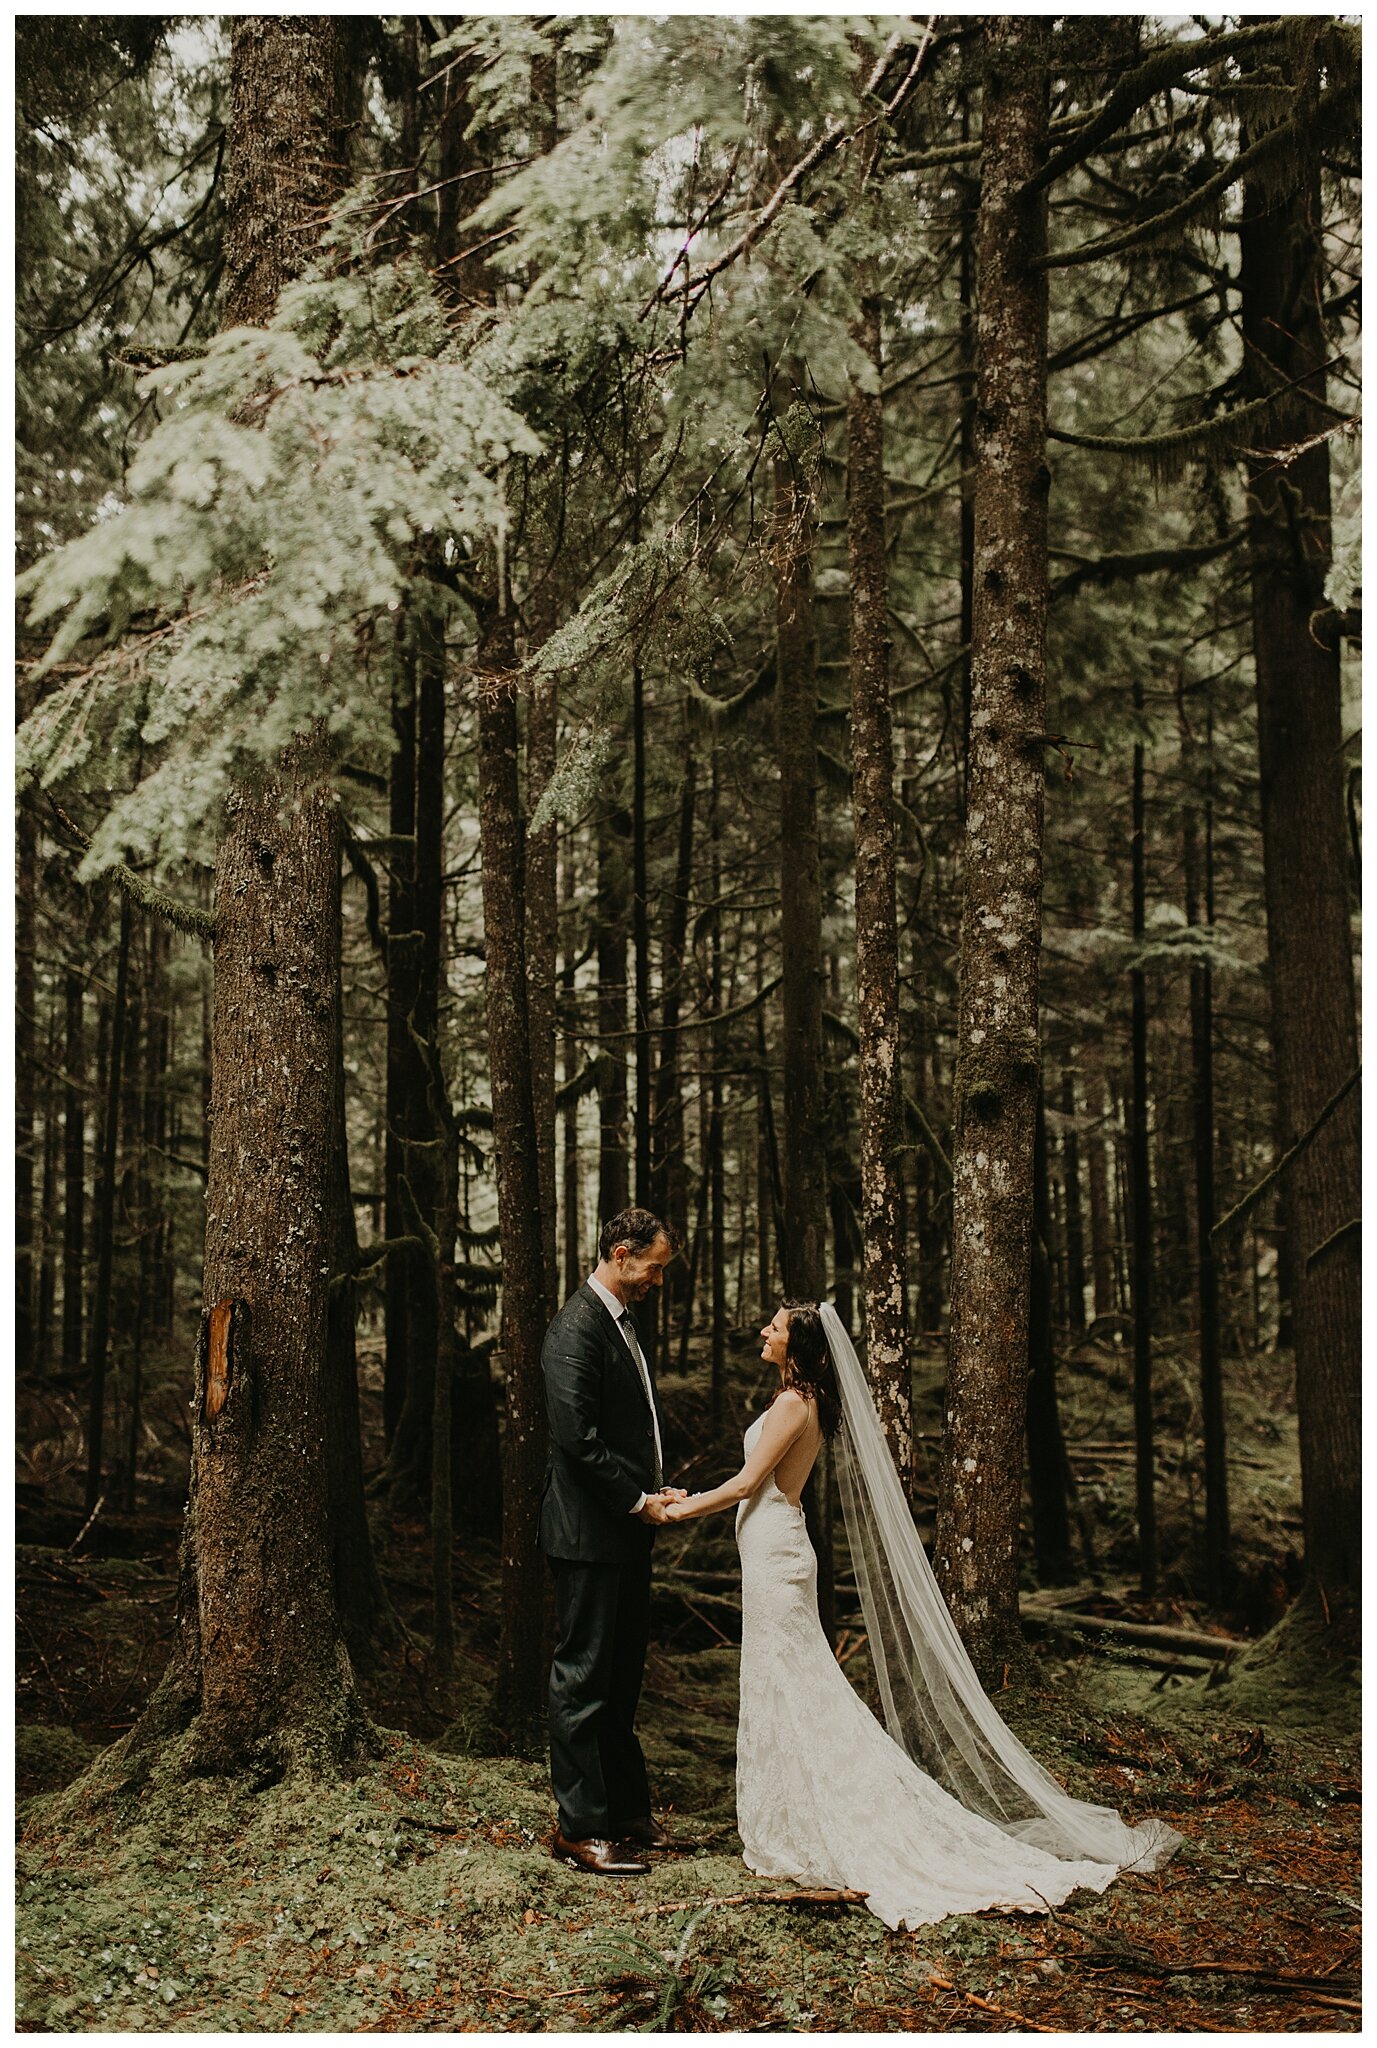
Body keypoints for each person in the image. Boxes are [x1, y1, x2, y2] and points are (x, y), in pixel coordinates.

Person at [663, 1299, 1180, 1930]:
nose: (764, 1331)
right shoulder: (799, 1404)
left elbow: (747, 1486)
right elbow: (749, 1480)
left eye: (774, 1326)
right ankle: (792, 1818)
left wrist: (675, 1513)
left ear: (796, 1344)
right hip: (775, 1550)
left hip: (777, 1555)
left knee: (792, 1681)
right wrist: (688, 1495)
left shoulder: (795, 1404)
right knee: (786, 1682)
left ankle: (826, 1822)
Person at [539, 1206, 688, 1876]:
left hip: (624, 1530)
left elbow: (628, 1429)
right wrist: (634, 1499)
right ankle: (579, 1828)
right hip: (588, 1535)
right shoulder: (577, 1326)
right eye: (654, 1267)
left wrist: (652, 1494)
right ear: (622, 1253)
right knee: (583, 1678)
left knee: (622, 1680)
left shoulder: (619, 1323)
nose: (658, 1280)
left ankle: (626, 1812)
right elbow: (578, 1441)